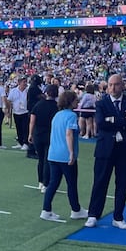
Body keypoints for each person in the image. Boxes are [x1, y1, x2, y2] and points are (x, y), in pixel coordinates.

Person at [85, 74, 126, 229]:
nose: (113, 88)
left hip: (125, 149)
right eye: (110, 85)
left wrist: (114, 120)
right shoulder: (102, 103)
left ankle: (118, 217)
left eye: (116, 84)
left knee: (122, 183)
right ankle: (93, 214)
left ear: (122, 85)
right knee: (100, 182)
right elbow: (101, 123)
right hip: (105, 149)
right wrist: (123, 120)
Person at [39, 91, 89, 221]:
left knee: (53, 183)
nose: (78, 102)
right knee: (71, 184)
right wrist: (71, 153)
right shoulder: (71, 116)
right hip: (65, 155)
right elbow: (69, 134)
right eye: (76, 100)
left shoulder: (57, 115)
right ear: (70, 101)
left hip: (53, 154)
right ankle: (76, 210)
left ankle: (46, 209)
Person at [28, 85, 59, 193]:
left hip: (38, 135)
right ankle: (46, 183)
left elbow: (32, 121)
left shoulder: (39, 105)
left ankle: (40, 182)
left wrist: (30, 134)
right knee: (47, 160)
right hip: (51, 135)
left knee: (41, 159)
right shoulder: (57, 106)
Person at [6, 76, 30, 151]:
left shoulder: (28, 90)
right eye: (23, 82)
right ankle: (20, 142)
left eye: (26, 82)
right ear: (19, 83)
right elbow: (9, 101)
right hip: (16, 112)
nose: (25, 83)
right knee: (18, 128)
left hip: (25, 112)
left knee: (25, 128)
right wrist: (8, 112)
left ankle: (26, 143)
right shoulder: (13, 91)